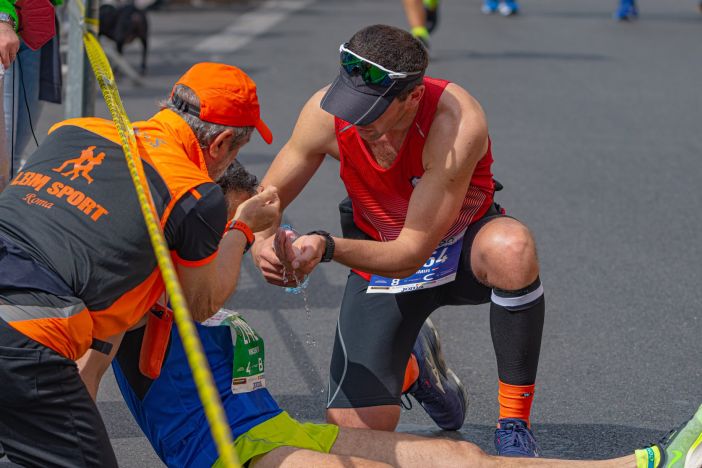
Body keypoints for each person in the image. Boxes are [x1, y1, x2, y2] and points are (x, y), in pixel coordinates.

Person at [103, 160, 702, 468]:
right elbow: (76, 372)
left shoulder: (206, 267)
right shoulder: (142, 287)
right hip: (239, 457)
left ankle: (644, 462)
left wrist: (267, 237)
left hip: (280, 430)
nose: (247, 238)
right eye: (228, 227)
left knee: (460, 456)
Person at [252, 24, 545, 457]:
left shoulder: (456, 122)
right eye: (348, 104)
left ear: (412, 98)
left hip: (457, 248)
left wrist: (325, 246)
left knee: (512, 248)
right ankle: (413, 368)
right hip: (379, 260)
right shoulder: (325, 113)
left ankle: (514, 424)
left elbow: (411, 253)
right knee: (358, 439)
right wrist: (262, 239)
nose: (353, 119)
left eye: (368, 111)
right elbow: (268, 200)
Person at [0, 62, 280, 466]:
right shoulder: (194, 193)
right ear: (220, 143)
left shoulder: (76, 130)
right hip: (24, 338)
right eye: (233, 151)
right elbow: (199, 304)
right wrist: (242, 230)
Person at [0, 0, 63, 188]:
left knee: (14, 154)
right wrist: (3, 17)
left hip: (32, 22)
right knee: (5, 158)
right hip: (5, 28)